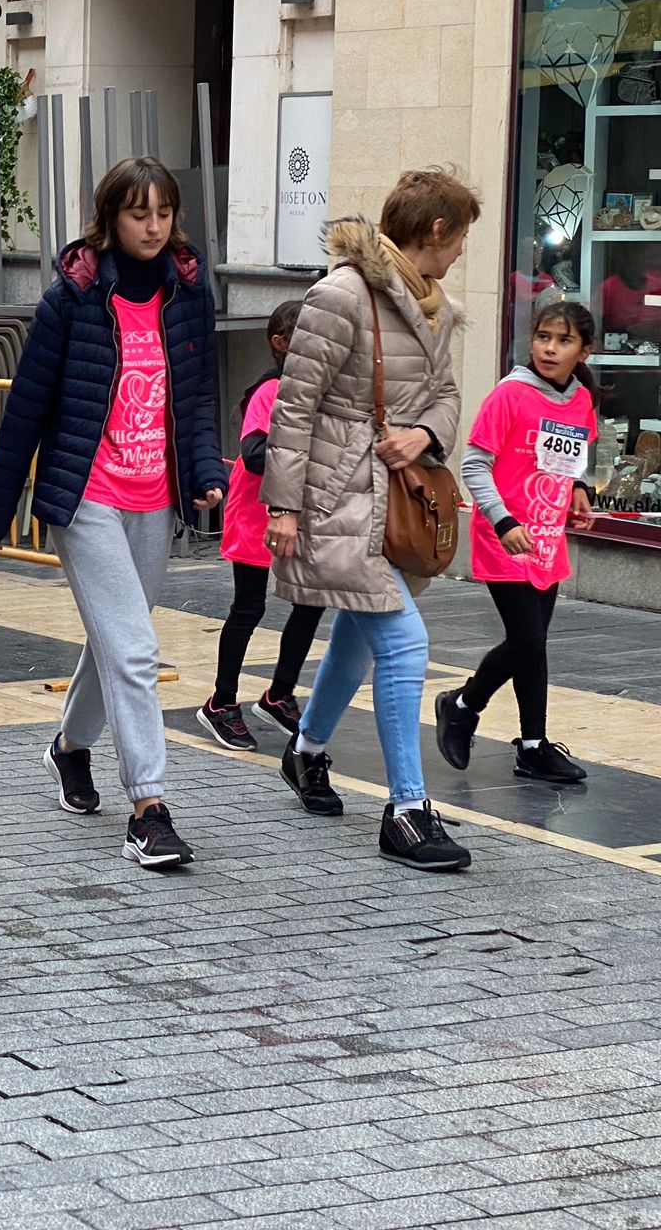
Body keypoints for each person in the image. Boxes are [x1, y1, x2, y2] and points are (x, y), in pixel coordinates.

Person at [0, 158, 226, 871]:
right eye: (138, 214)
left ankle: (69, 747)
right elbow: (27, 406)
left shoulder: (186, 293)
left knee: (119, 643)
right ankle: (148, 808)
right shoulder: (74, 298)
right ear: (110, 218)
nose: (153, 227)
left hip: (154, 498)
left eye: (164, 214)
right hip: (83, 494)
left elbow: (198, 395)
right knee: (138, 651)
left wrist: (206, 470)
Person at [265, 169, 476, 872]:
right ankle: (407, 810)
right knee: (406, 644)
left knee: (360, 630)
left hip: (397, 502)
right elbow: (294, 407)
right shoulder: (342, 294)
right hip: (339, 496)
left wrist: (426, 436)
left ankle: (306, 751)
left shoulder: (436, 305)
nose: (460, 255)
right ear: (437, 230)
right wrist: (285, 506)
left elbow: (445, 394)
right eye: (460, 237)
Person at [434, 300, 599, 786]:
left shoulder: (580, 400)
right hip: (504, 534)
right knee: (529, 639)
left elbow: (571, 460)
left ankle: (530, 745)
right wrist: (503, 520)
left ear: (584, 351)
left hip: (547, 534)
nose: (550, 348)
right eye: (543, 337)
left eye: (564, 341)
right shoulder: (509, 396)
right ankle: (463, 705)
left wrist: (580, 491)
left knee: (533, 645)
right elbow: (474, 465)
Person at [198, 301, 326, 749]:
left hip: (302, 514)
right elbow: (252, 453)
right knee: (249, 608)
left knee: (311, 602)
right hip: (257, 512)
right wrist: (301, 450)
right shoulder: (270, 391)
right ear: (281, 344)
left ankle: (279, 695)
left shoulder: (318, 391)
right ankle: (221, 702)